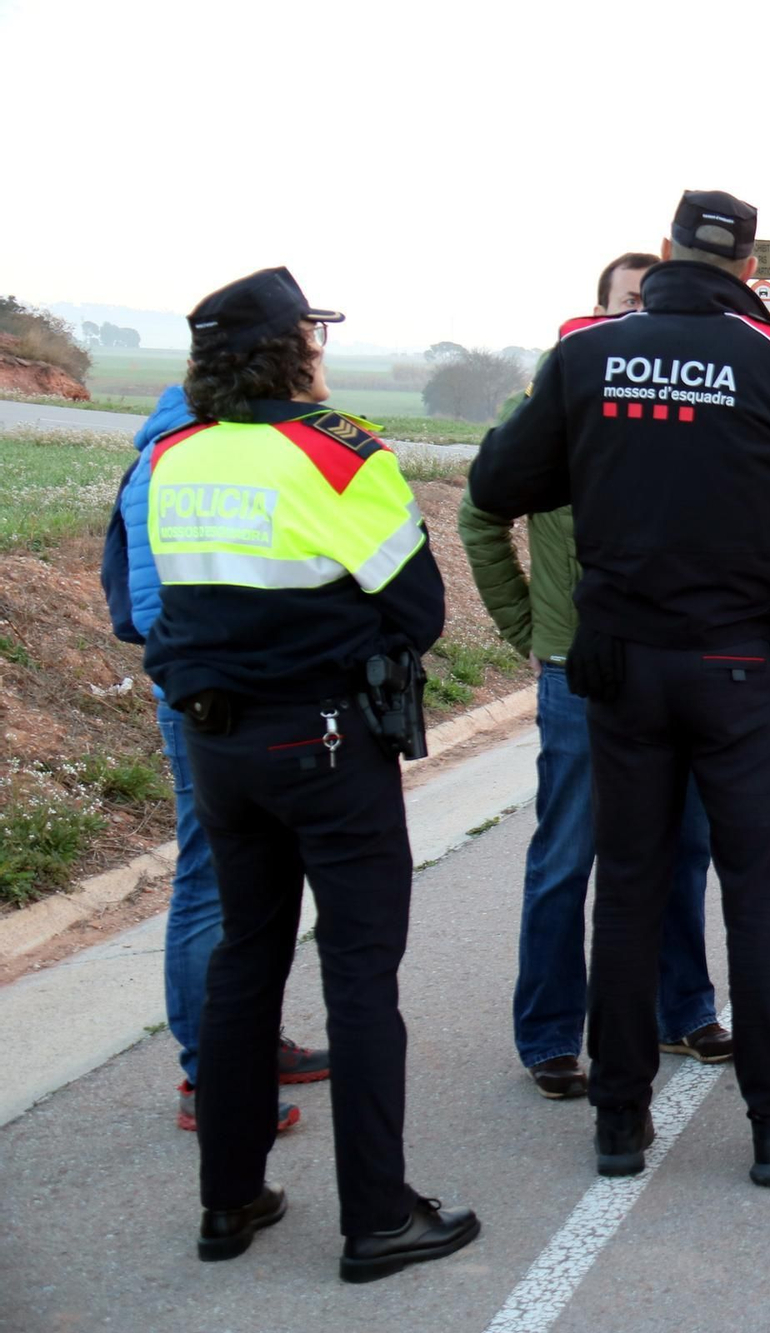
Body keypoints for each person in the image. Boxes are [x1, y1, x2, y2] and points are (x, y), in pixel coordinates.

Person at [468, 189, 770, 1188]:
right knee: (753, 895)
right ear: (746, 267)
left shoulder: (587, 352)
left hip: (619, 660)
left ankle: (619, 1121)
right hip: (732, 664)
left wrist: (612, 459)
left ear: (660, 254)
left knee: (632, 886)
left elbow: (495, 484)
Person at [144, 266, 476, 1278]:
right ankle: (378, 1217)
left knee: (248, 957)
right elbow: (419, 607)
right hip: (325, 744)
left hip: (217, 747)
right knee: (359, 976)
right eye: (315, 333)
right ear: (296, 347)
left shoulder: (175, 456)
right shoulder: (337, 456)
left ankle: (229, 1198)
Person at [460, 251, 732, 1103]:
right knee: (568, 854)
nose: (639, 315)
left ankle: (679, 1006)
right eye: (626, 301)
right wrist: (528, 627)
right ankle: (549, 1032)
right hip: (578, 671)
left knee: (681, 848)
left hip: (673, 662)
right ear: (598, 311)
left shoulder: (680, 402)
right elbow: (479, 516)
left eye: (650, 303)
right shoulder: (551, 402)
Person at [103, 389, 328, 1136]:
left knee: (248, 880)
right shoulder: (183, 456)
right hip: (210, 691)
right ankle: (210, 1074)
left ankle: (247, 1047)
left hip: (212, 684)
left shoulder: (179, 447)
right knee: (209, 877)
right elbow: (153, 599)